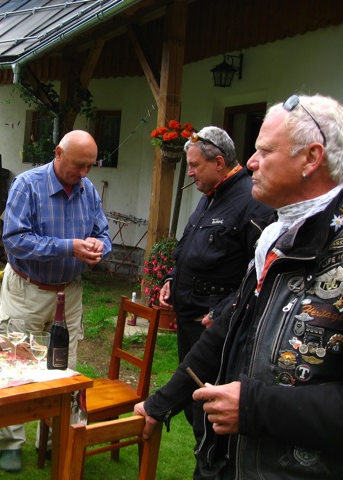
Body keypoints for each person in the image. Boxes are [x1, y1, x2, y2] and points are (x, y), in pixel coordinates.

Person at [135, 93, 343, 479]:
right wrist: (159, 404)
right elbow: (224, 331)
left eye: (265, 150)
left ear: (311, 158)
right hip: (226, 463)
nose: (250, 162)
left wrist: (252, 407)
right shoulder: (277, 238)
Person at [0, 129, 112, 472]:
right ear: (58, 153)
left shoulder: (88, 190)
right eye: (78, 165)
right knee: (16, 361)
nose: (84, 173)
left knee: (64, 366)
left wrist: (100, 247)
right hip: (27, 289)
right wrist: (68, 247)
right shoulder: (27, 186)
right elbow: (14, 240)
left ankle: (53, 439)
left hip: (68, 292)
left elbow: (102, 233)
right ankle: (10, 443)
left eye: (90, 166)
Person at [158, 126, 274, 451]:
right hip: (189, 322)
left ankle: (212, 463)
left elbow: (262, 272)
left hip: (215, 329)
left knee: (210, 410)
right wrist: (171, 279)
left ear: (219, 163)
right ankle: (204, 458)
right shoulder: (210, 196)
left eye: (195, 165)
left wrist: (223, 311)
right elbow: (189, 247)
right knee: (194, 403)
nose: (190, 172)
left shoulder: (252, 202)